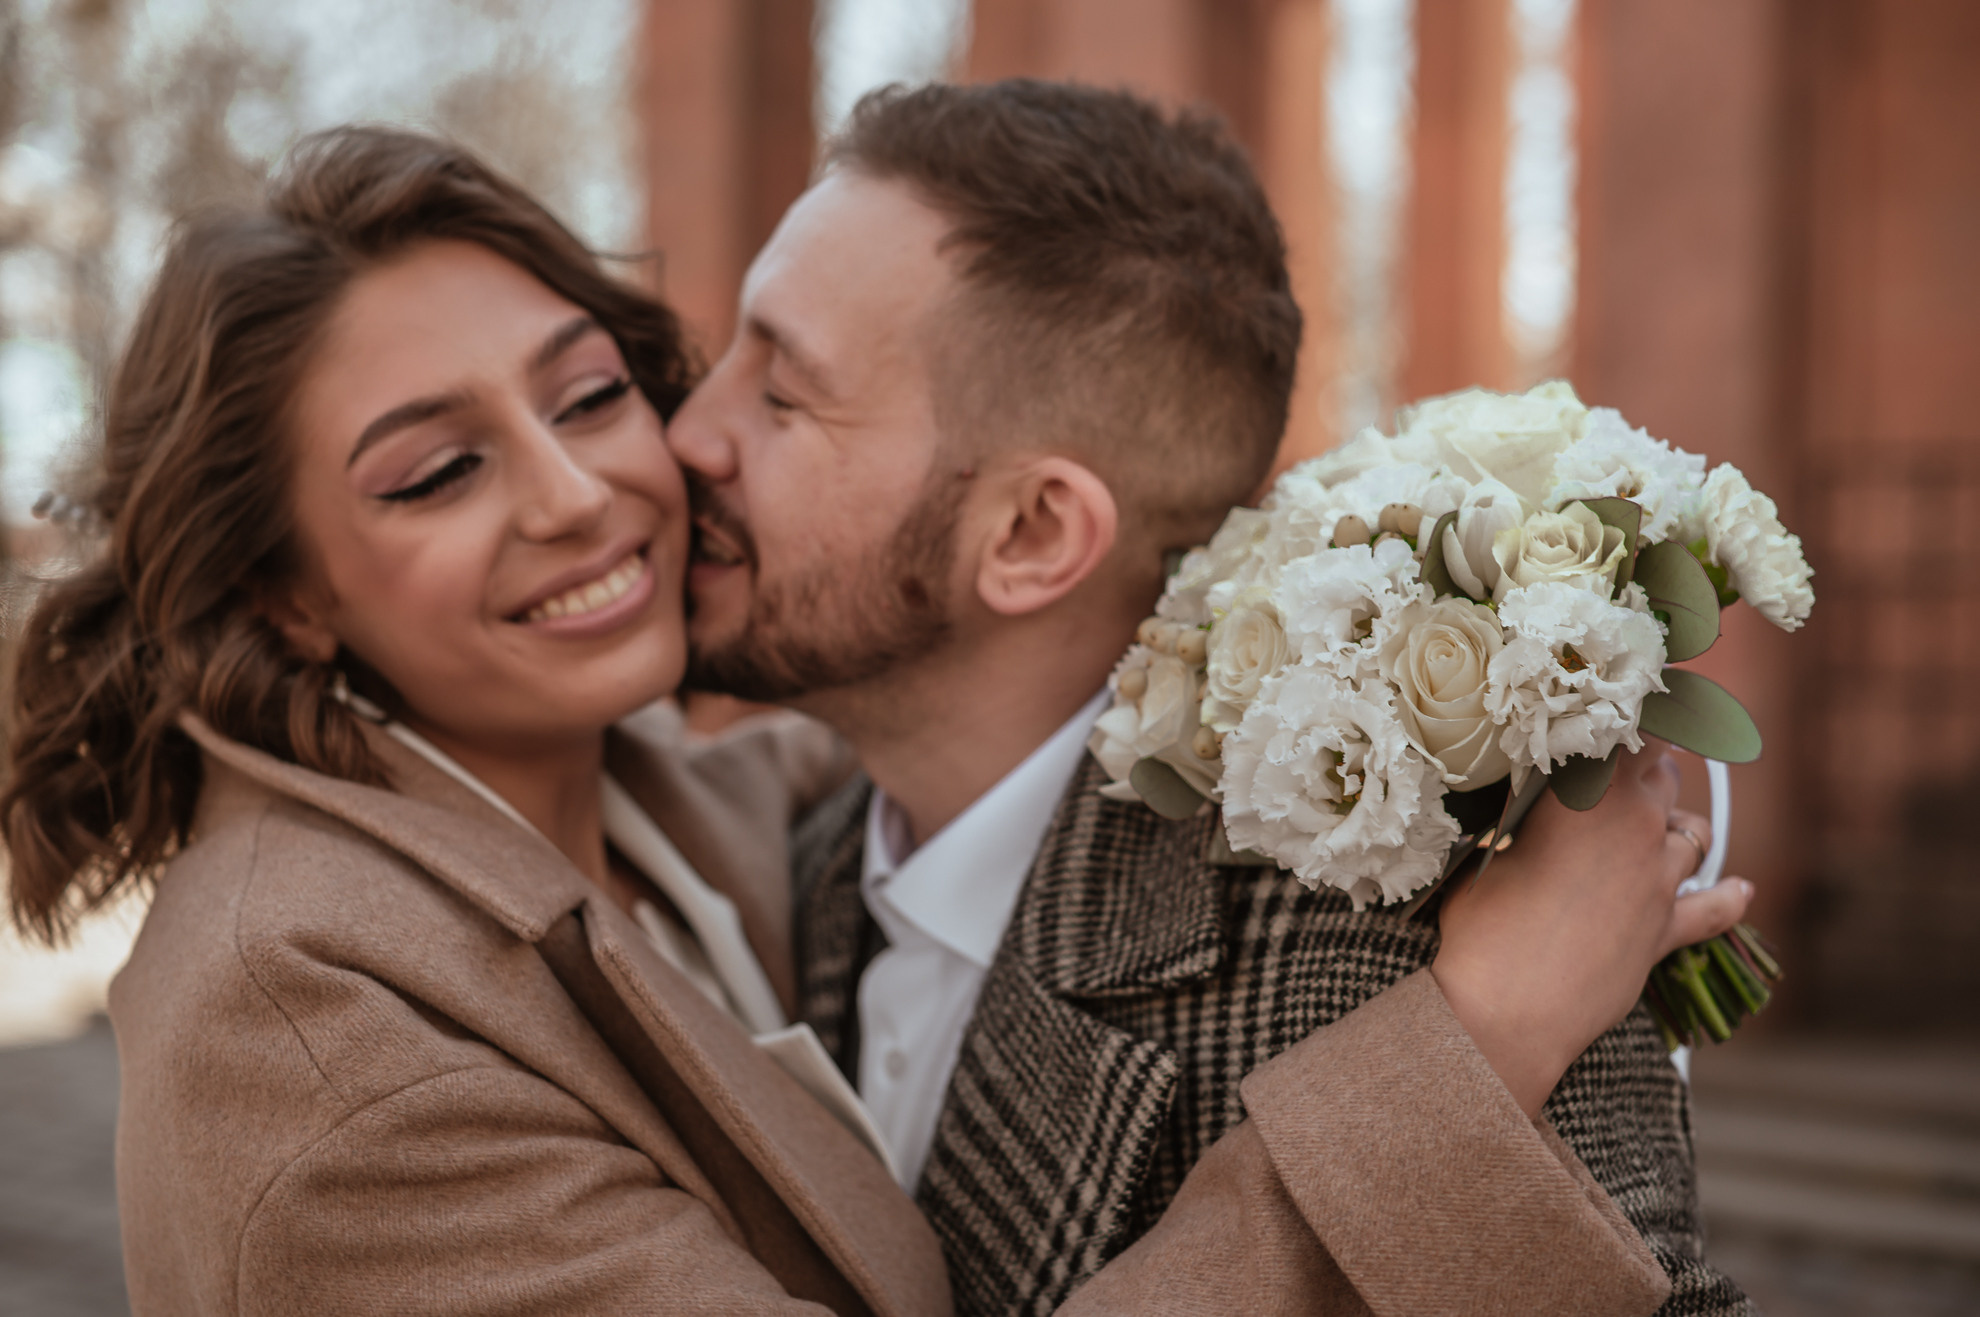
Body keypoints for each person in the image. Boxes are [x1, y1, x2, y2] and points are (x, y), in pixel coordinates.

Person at [5, 125, 1696, 1316]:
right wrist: (1467, 1051)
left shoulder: (717, 813)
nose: (613, 481)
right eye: (437, 471)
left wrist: (1504, 695)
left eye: (598, 389)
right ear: (292, 593)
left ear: (1036, 536)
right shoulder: (307, 1017)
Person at [668, 80, 1757, 1314]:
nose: (687, 436)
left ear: (1030, 533)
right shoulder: (795, 881)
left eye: (779, 394)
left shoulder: (1420, 957)